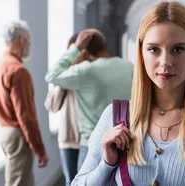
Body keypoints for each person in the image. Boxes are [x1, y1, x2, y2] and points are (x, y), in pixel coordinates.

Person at [72, 2, 185, 185]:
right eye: (154, 49)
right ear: (141, 53)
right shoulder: (115, 118)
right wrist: (107, 164)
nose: (165, 61)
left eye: (178, 49)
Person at [45, 29, 134, 168]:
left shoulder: (84, 71)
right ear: (104, 45)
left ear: (84, 52)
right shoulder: (129, 67)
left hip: (91, 146)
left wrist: (76, 48)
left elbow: (51, 76)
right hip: (125, 143)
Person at [0, 20, 48, 186]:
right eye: (28, 41)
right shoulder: (18, 71)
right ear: (21, 40)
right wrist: (40, 149)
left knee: (23, 181)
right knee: (18, 183)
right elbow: (26, 116)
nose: (29, 46)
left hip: (5, 131)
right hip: (18, 134)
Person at [44, 33, 84, 186]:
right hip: (69, 140)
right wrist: (64, 80)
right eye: (73, 51)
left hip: (89, 139)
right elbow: (52, 106)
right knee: (71, 181)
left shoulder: (90, 73)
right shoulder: (64, 77)